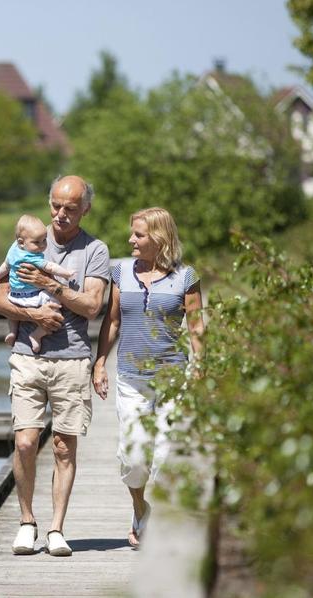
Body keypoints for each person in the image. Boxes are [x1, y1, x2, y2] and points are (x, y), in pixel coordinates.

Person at [0, 175, 110, 557]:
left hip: (73, 359)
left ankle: (56, 529)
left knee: (63, 447)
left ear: (85, 209)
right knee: (25, 442)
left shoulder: (95, 250)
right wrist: (38, 316)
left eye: (70, 209)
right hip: (27, 357)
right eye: (56, 206)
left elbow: (92, 306)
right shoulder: (24, 240)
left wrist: (51, 284)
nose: (60, 215)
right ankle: (27, 522)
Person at [92, 207, 204, 549]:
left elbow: (196, 327)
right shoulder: (120, 272)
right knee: (134, 455)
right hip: (130, 378)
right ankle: (141, 510)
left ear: (159, 238)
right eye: (133, 234)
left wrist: (200, 366)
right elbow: (111, 322)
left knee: (168, 455)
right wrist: (99, 363)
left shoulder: (185, 276)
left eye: (138, 235)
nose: (131, 240)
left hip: (173, 378)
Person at [0, 214, 75, 352]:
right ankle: (36, 335)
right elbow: (50, 267)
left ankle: (12, 332)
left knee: (12, 314)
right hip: (33, 295)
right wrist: (66, 273)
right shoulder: (32, 257)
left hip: (14, 296)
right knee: (56, 305)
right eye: (37, 242)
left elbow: (5, 266)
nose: (42, 245)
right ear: (21, 242)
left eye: (44, 240)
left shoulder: (13, 250)